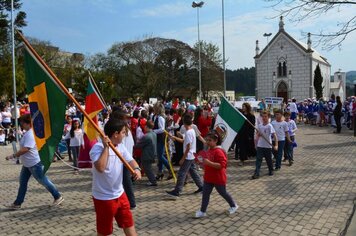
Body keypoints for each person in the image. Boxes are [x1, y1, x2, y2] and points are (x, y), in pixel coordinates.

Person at [89, 118, 141, 236]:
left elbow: (131, 160)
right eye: (123, 132)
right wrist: (106, 147)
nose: (125, 135)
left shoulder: (120, 146)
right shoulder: (97, 148)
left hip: (120, 194)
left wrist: (137, 169)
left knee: (129, 225)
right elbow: (100, 167)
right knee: (104, 232)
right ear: (115, 134)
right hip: (104, 198)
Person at [5, 114, 64, 209]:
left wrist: (13, 155)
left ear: (27, 123)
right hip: (27, 164)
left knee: (43, 181)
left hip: (34, 164)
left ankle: (57, 196)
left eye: (22, 123)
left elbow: (26, 149)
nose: (21, 125)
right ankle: (17, 203)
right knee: (23, 183)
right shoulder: (28, 132)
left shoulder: (30, 134)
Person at [194, 130, 238, 218]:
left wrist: (208, 163)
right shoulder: (209, 150)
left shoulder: (219, 151)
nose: (207, 142)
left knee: (223, 192)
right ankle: (203, 211)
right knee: (205, 194)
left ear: (215, 141)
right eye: (207, 140)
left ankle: (233, 205)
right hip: (208, 178)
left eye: (210, 140)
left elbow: (222, 165)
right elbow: (206, 163)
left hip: (218, 178)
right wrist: (201, 163)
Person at [166, 114, 203, 198]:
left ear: (184, 122)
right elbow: (184, 140)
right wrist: (174, 137)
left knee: (182, 173)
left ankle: (177, 191)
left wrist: (183, 158)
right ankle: (201, 187)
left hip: (188, 156)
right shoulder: (191, 130)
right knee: (193, 172)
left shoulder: (189, 132)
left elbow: (188, 146)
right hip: (191, 156)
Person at [252, 111, 278, 179]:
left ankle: (271, 170)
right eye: (263, 116)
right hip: (260, 145)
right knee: (258, 160)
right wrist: (256, 144)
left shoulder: (269, 126)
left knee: (268, 159)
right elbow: (257, 135)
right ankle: (256, 173)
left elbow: (274, 136)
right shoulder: (260, 126)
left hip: (268, 146)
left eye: (265, 116)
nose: (264, 118)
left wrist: (276, 145)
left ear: (268, 117)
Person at [134, 120, 157, 186]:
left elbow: (139, 145)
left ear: (147, 126)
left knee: (147, 169)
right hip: (152, 153)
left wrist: (133, 145)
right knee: (148, 167)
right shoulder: (154, 134)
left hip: (147, 155)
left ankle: (153, 181)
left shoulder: (146, 136)